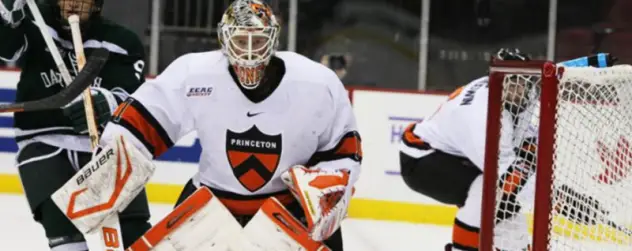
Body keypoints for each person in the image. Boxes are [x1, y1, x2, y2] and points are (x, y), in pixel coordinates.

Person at [98, 0, 361, 250]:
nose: (248, 51)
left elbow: (344, 151)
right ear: (224, 40)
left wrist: (329, 184)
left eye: (257, 41)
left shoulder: (317, 84)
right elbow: (147, 116)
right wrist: (115, 148)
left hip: (288, 209)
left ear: (272, 41)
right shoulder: (196, 74)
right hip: (211, 202)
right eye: (239, 41)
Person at [398, 48, 613, 251]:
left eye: (520, 82)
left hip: (460, 156)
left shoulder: (520, 92)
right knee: (485, 191)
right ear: (496, 81)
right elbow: (505, 174)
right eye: (510, 82)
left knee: (509, 214)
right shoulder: (483, 116)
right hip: (421, 160)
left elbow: (553, 72)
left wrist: (593, 62)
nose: (515, 88)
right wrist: (558, 201)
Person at [0, 0, 151, 250]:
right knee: (63, 233)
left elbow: (134, 99)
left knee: (134, 232)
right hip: (42, 141)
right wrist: (8, 17)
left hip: (103, 145)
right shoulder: (34, 22)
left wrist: (107, 101)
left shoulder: (121, 41)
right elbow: (7, 50)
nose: (72, 3)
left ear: (97, 4)